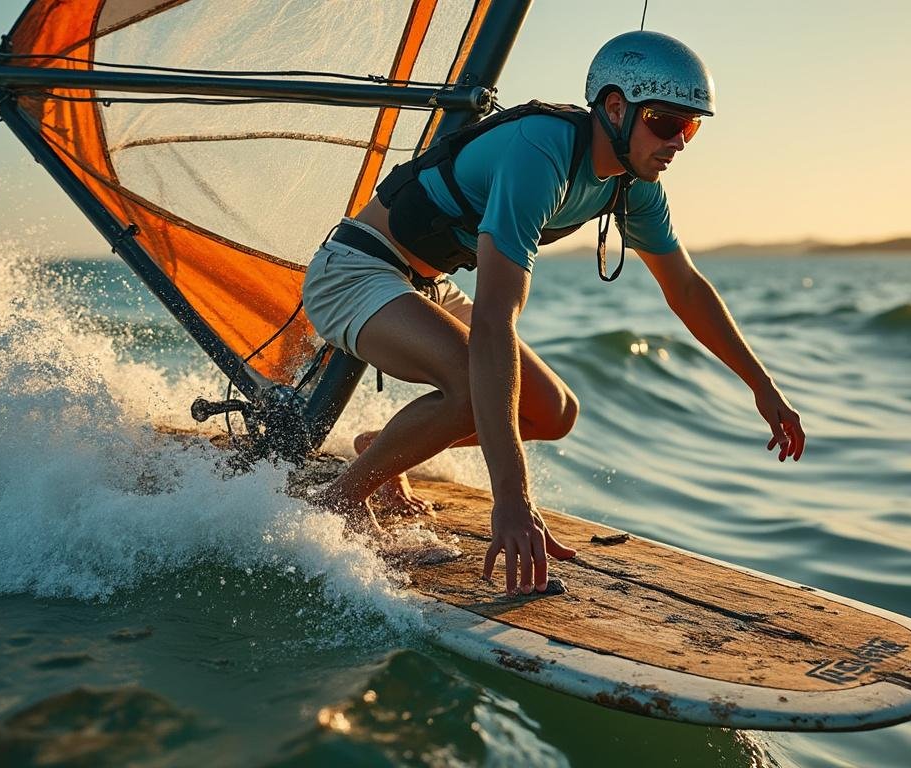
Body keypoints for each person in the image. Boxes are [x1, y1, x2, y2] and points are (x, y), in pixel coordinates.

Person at [302, 30, 805, 595]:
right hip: (352, 272)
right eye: (666, 122)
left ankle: (382, 448)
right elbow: (495, 320)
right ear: (616, 108)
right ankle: (337, 500)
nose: (679, 142)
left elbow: (686, 289)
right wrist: (512, 503)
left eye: (692, 127)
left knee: (552, 412)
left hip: (423, 285)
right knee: (473, 389)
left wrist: (762, 387)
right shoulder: (539, 152)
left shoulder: (631, 186)